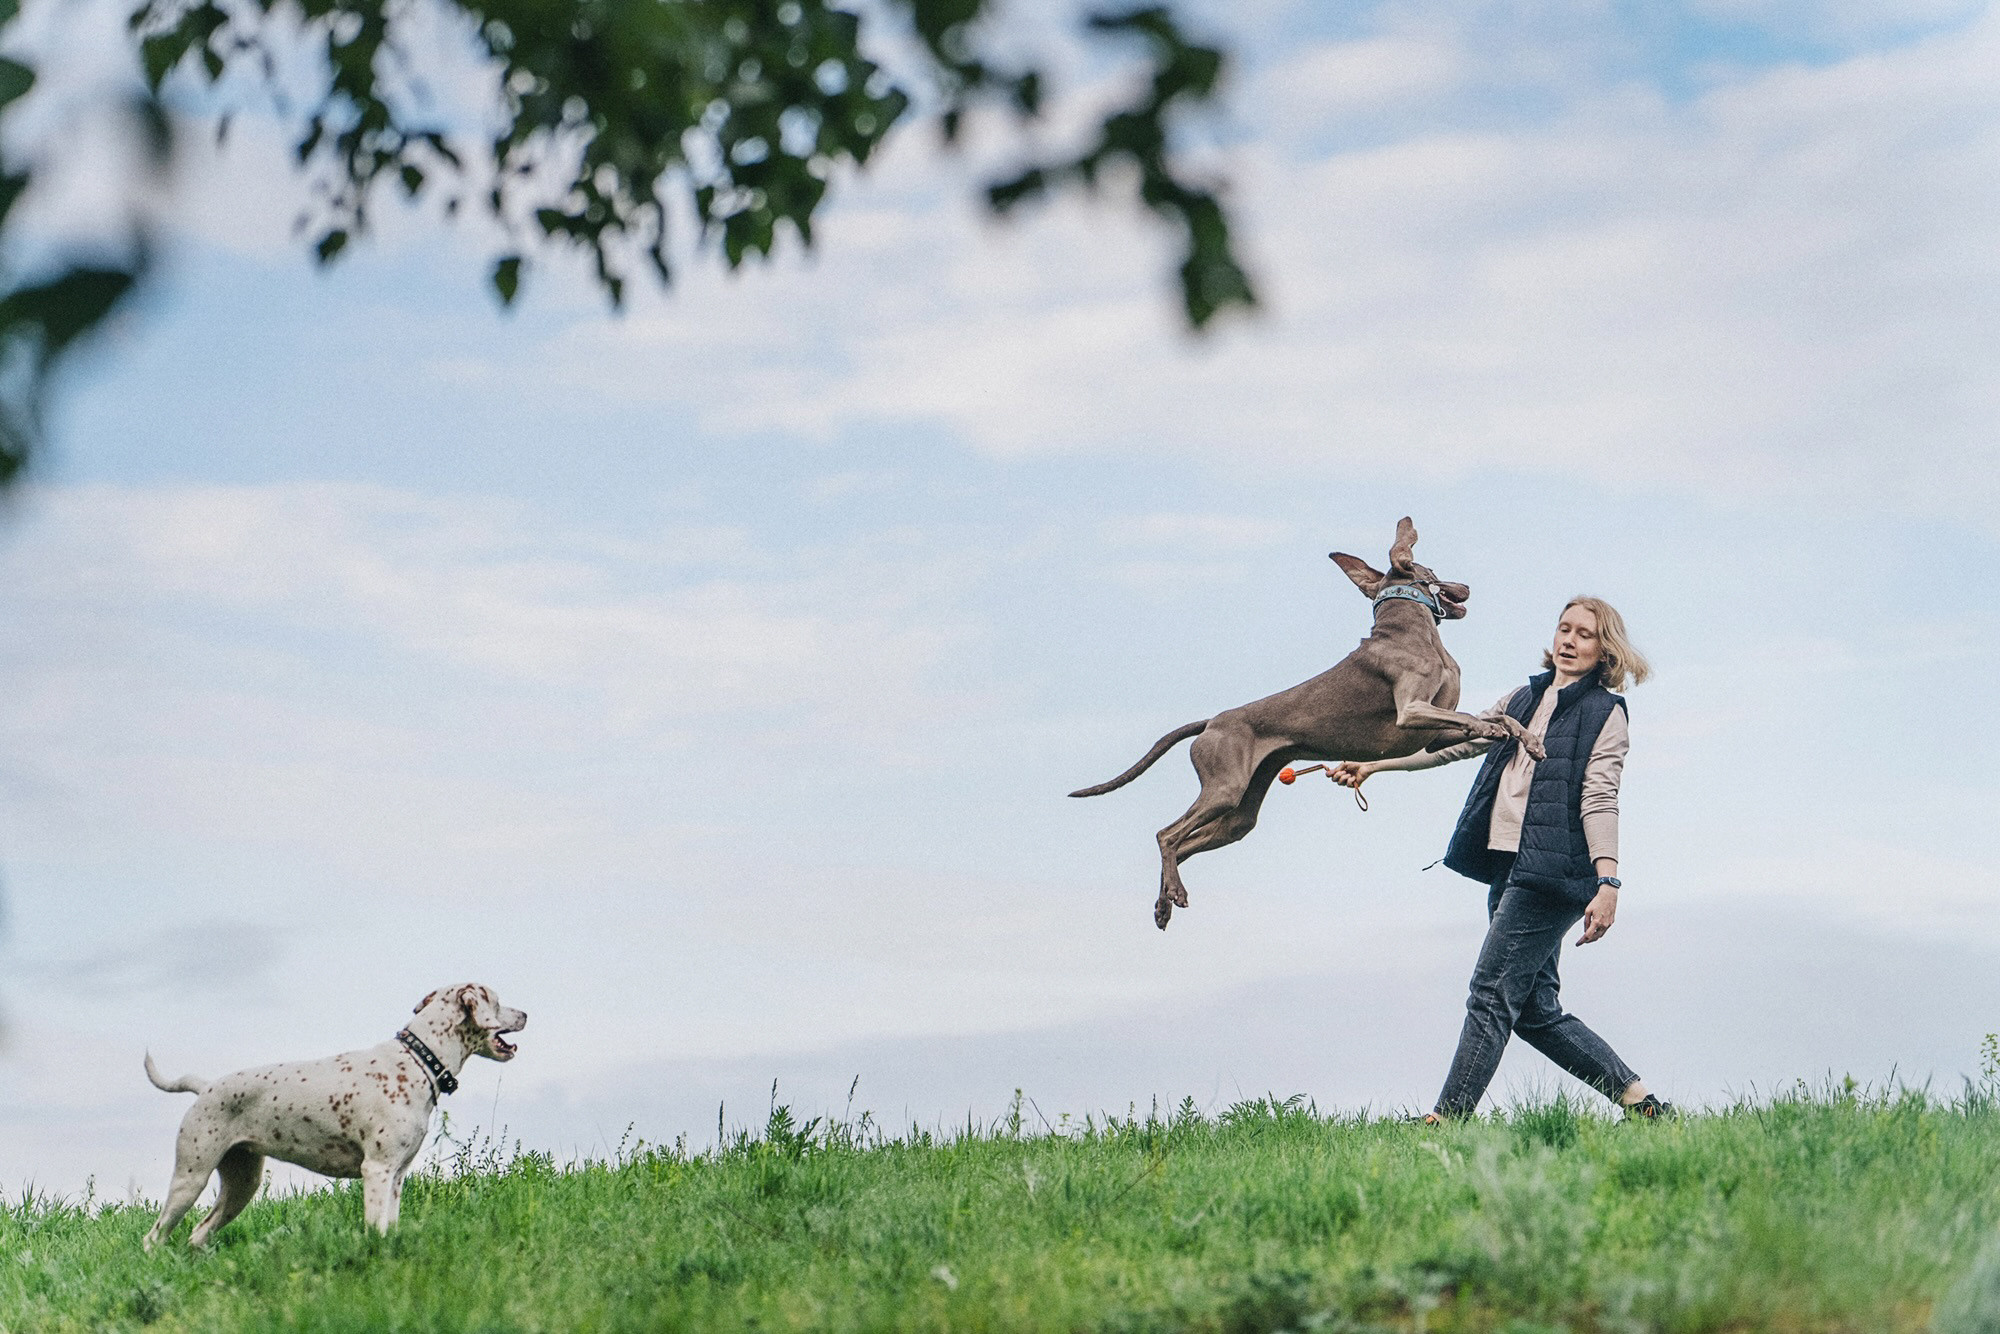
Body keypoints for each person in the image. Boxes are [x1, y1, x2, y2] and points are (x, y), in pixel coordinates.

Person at [1332, 595, 1672, 1122]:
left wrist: (1609, 882)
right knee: (1535, 1011)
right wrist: (1379, 765)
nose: (1569, 640)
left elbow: (1600, 797)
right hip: (1510, 865)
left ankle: (1447, 1119)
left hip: (1555, 871)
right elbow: (1457, 743)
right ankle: (1642, 1105)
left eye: (1584, 634)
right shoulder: (1522, 697)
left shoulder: (1606, 713)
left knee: (1489, 993)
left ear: (1605, 649)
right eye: (1564, 629)